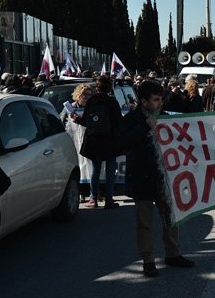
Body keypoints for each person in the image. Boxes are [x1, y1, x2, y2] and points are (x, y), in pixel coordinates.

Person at [118, 80, 194, 276]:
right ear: (144, 102)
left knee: (171, 219)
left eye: (161, 99)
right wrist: (145, 127)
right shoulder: (131, 120)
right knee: (144, 223)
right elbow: (122, 143)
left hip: (166, 179)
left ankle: (173, 254)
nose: (160, 103)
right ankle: (148, 260)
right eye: (156, 100)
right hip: (142, 178)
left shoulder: (168, 118)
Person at [74, 76, 122, 209]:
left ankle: (93, 199)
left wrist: (76, 119)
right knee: (110, 170)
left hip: (94, 139)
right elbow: (119, 121)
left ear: (97, 87)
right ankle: (109, 199)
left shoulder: (91, 101)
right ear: (110, 87)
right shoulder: (112, 101)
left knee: (95, 170)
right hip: (110, 140)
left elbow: (85, 121)